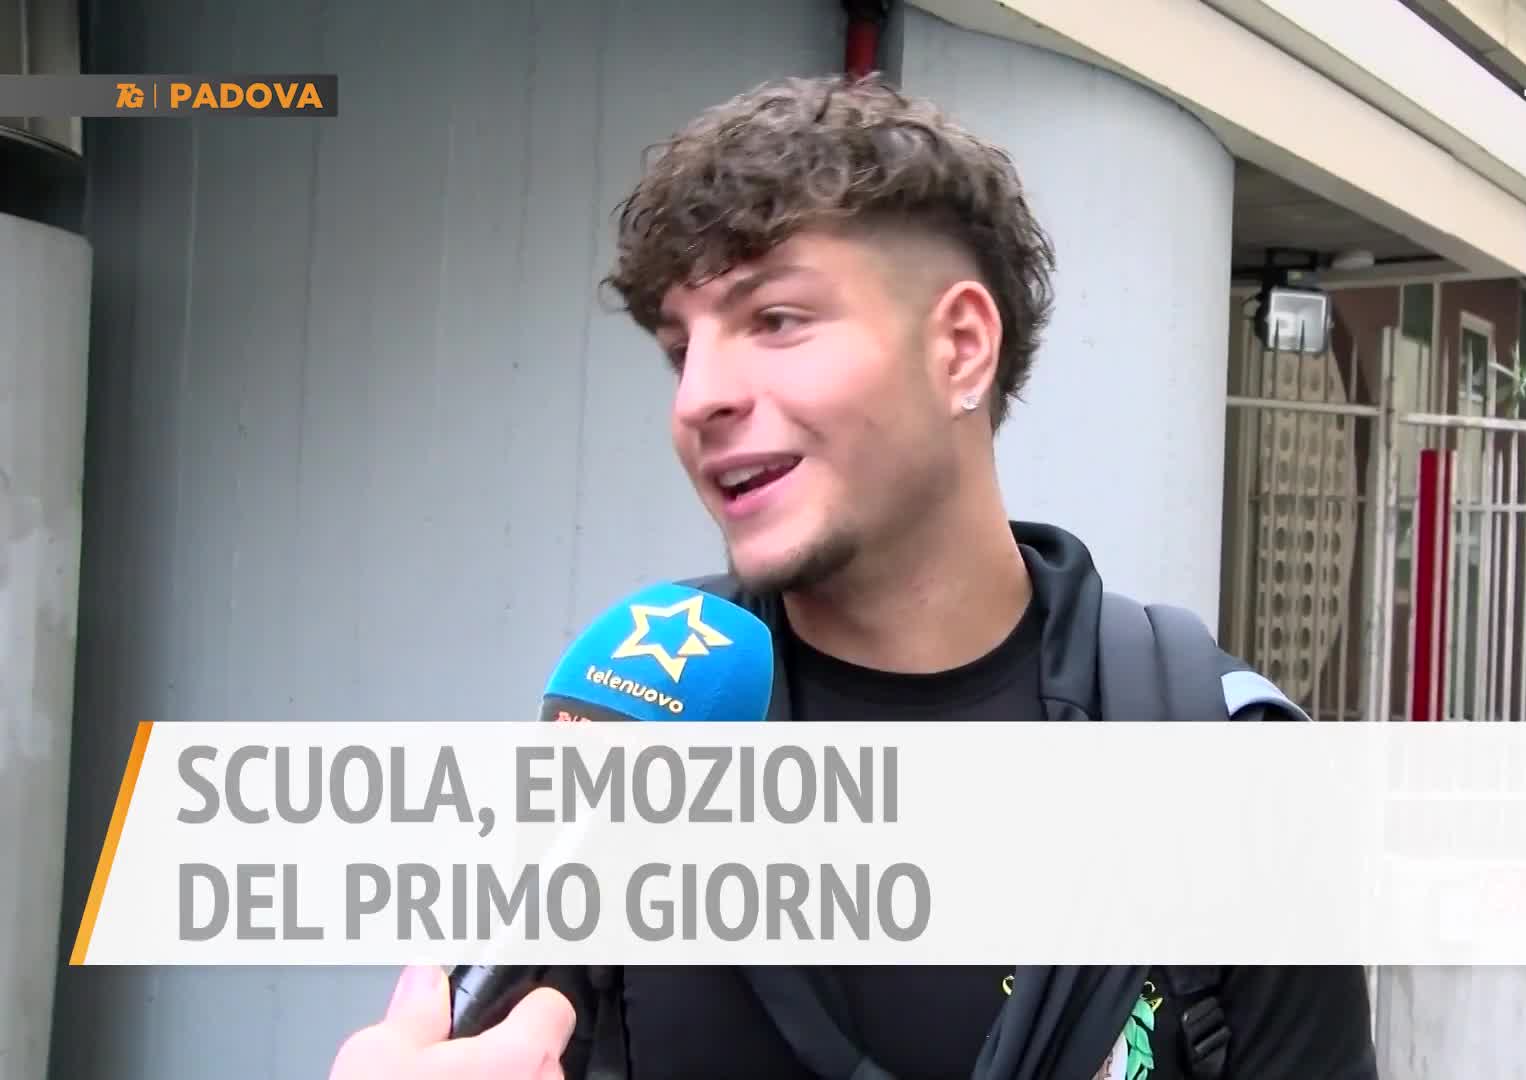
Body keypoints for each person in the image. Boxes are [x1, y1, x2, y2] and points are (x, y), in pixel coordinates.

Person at [329, 73, 1378, 1080]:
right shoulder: (637, 722)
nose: (697, 398)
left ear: (960, 347)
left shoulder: (1224, 765)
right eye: (680, 349)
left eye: (775, 320)